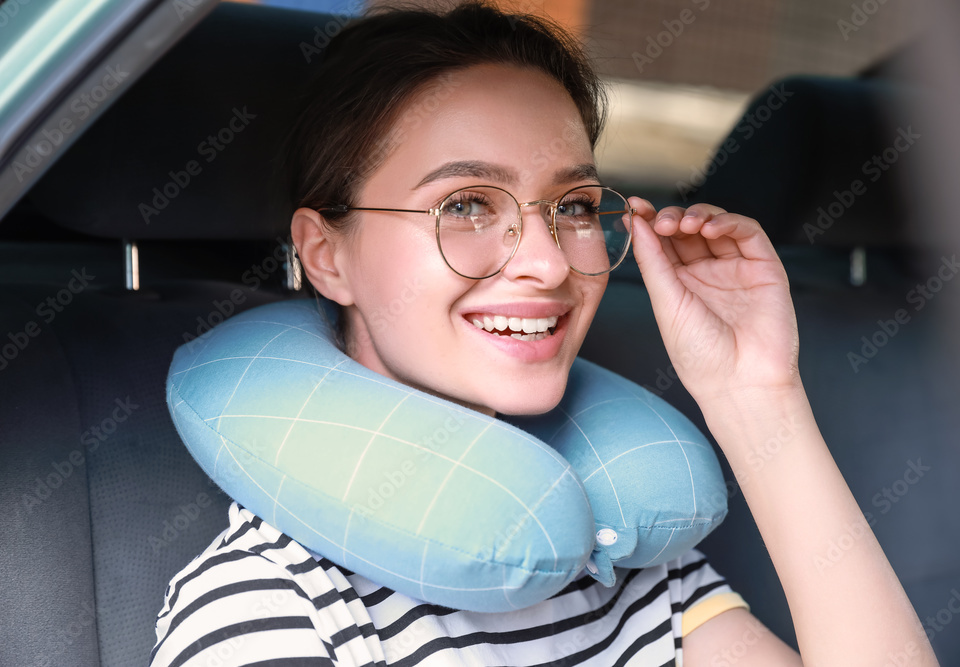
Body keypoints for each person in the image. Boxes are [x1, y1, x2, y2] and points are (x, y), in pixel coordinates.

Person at [149, 2, 937, 665]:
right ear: (327, 255)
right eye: (465, 204)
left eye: (571, 207)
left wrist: (758, 394)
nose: (546, 263)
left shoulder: (627, 564)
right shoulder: (269, 610)